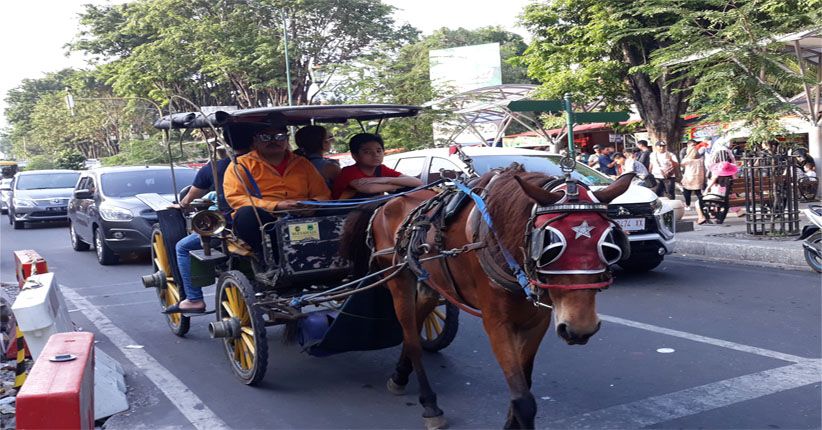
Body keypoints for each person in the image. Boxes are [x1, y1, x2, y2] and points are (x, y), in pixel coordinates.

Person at [223, 121, 331, 258]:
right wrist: (276, 206)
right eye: (265, 137)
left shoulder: (302, 163)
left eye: (280, 136)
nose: (274, 141)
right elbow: (236, 198)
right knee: (246, 214)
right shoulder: (240, 165)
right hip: (266, 219)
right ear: (255, 140)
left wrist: (312, 204)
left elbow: (322, 194)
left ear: (286, 139)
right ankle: (266, 258)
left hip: (304, 214)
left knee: (341, 210)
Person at [164, 144, 250, 314]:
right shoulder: (274, 163)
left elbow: (190, 198)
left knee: (182, 247)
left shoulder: (217, 168)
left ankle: (194, 299)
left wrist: (182, 205)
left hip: (229, 228)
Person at [331, 133, 422, 200]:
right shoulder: (349, 171)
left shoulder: (381, 169)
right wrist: (399, 185)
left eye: (379, 151)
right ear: (355, 156)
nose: (375, 155)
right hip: (342, 211)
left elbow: (417, 182)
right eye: (367, 152)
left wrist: (386, 179)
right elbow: (369, 189)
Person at [680, 145, 708, 224]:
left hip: (689, 178)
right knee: (698, 193)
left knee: (687, 192)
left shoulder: (687, 160)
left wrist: (686, 155)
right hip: (699, 178)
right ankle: (702, 204)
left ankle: (687, 205)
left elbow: (681, 164)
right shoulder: (701, 160)